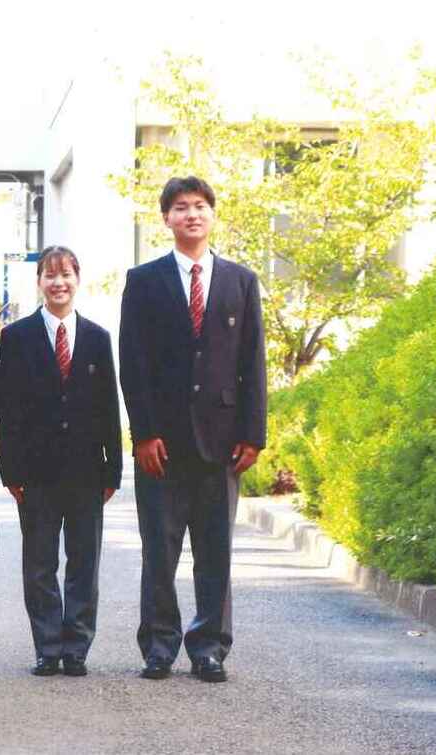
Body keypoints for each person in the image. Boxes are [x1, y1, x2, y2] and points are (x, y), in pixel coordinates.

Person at [119, 175, 267, 683]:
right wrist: (142, 433)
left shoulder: (240, 281)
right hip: (161, 442)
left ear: (212, 215)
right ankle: (159, 645)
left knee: (214, 550)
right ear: (166, 219)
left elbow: (253, 361)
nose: (192, 214)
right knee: (158, 549)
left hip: (223, 441)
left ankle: (209, 646)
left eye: (201, 206)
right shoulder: (143, 281)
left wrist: (254, 433)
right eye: (181, 207)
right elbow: (132, 363)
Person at [0, 246, 122, 677]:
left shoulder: (98, 338)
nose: (58, 282)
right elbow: (7, 410)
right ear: (39, 283)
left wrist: (114, 469)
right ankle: (48, 647)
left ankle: (77, 649)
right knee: (40, 563)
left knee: (84, 562)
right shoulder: (15, 338)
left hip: (88, 471)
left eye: (66, 274)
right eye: (50, 275)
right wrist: (10, 470)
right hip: (36, 473)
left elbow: (109, 406)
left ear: (77, 278)